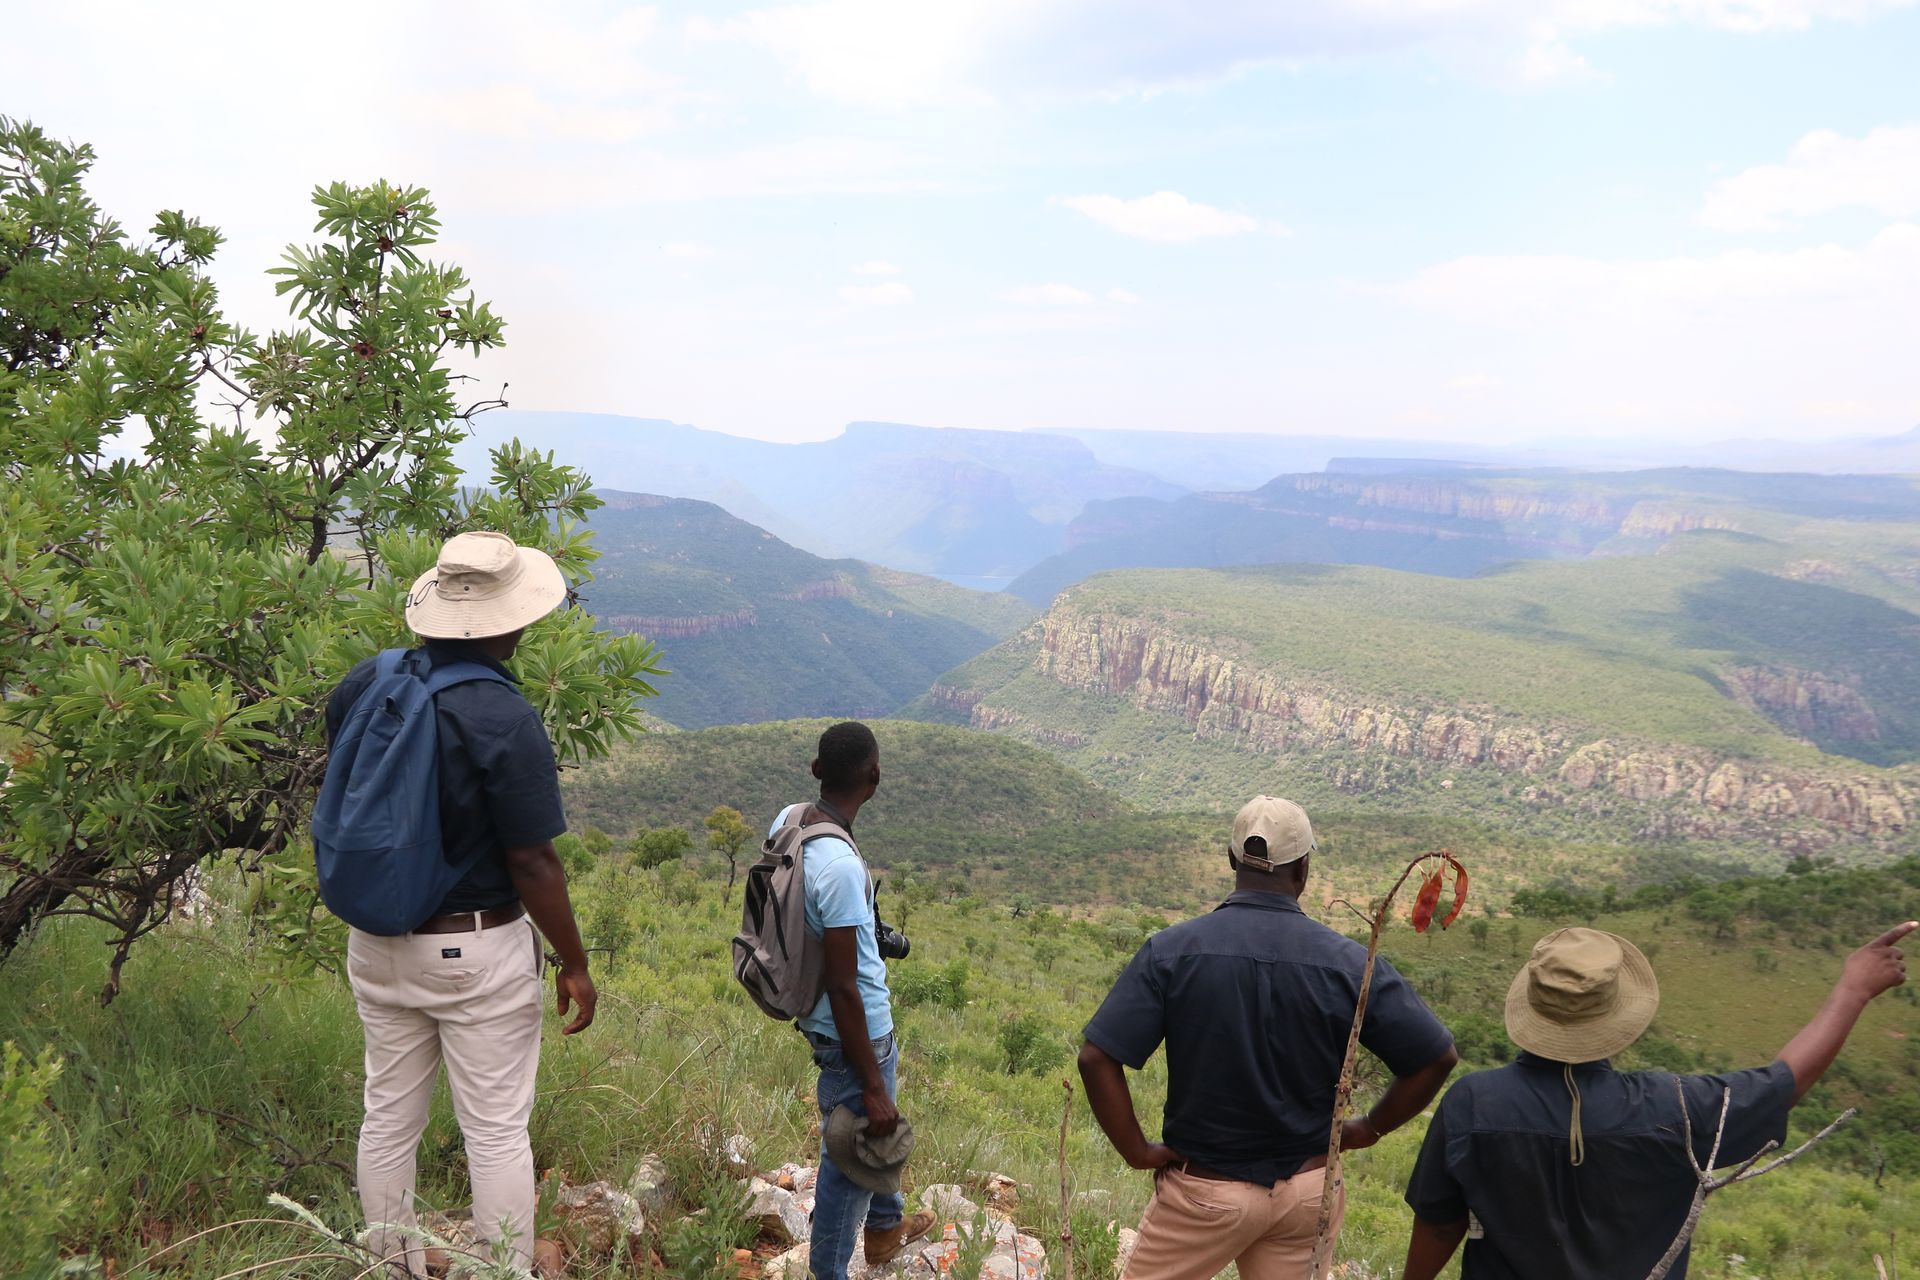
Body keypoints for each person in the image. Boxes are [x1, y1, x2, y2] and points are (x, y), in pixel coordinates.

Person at [326, 532, 599, 1276]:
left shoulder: (371, 680)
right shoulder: (502, 717)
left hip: (378, 938)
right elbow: (532, 858)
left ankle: (392, 1266)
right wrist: (574, 963)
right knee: (496, 1132)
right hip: (474, 948)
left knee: (387, 1119)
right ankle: (500, 1270)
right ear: (505, 624)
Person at [1401, 920, 1917, 1280]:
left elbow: (1441, 1221)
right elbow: (1784, 1081)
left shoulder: (1472, 1103)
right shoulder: (1675, 1108)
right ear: (1619, 1017)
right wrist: (1851, 991)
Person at [1079, 795, 1459, 1280]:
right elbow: (1436, 1056)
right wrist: (1367, 1128)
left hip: (1205, 1192)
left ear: (1232, 860)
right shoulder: (1348, 963)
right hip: (1307, 1191)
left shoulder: (1172, 952)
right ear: (1302, 869)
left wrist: (1136, 1149)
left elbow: (1096, 1059)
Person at [768, 722, 935, 1280]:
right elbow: (844, 985)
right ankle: (830, 1271)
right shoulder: (838, 866)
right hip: (852, 1033)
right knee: (846, 1162)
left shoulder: (791, 820)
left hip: (827, 1019)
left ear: (816, 771)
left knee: (876, 1132)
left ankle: (886, 1227)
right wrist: (868, 1080)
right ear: (875, 776)